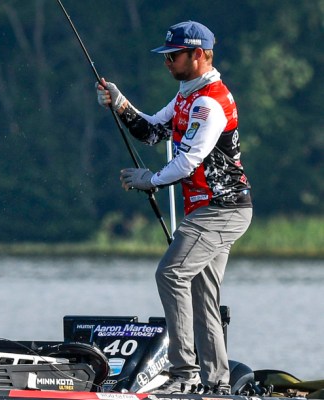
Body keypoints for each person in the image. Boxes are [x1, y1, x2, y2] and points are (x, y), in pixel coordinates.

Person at [96, 21, 252, 394]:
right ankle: (217, 385)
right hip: (211, 210)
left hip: (221, 209)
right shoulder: (187, 95)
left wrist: (149, 180)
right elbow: (152, 131)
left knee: (171, 274)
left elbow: (188, 161)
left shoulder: (208, 103)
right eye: (166, 56)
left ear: (197, 55)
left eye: (173, 56)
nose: (167, 62)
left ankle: (184, 375)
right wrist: (120, 103)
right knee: (202, 294)